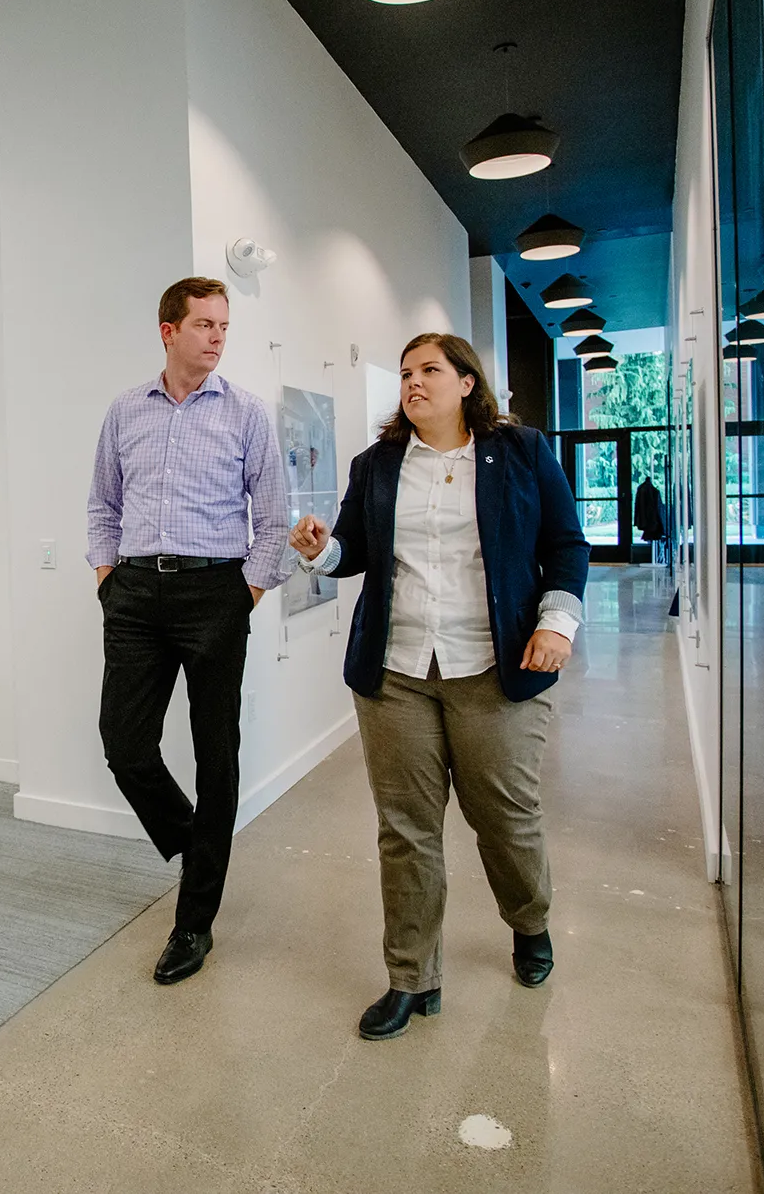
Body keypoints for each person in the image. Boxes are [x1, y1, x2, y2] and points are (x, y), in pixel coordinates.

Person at [290, 334, 588, 1040]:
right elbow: (351, 553)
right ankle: (409, 976)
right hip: (395, 675)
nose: (412, 382)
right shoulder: (378, 464)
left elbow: (565, 544)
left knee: (505, 819)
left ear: (464, 381)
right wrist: (318, 550)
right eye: (404, 373)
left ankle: (529, 921)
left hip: (494, 667)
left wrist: (557, 622)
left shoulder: (520, 452)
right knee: (405, 831)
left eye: (428, 370)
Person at [87, 276, 289, 985]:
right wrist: (106, 578)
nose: (216, 336)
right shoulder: (124, 410)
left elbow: (273, 518)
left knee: (215, 755)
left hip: (215, 592)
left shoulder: (246, 413)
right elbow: (101, 504)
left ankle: (193, 923)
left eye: (224, 325)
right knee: (124, 744)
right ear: (167, 329)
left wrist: (247, 593)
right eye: (203, 323)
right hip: (135, 592)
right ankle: (194, 839)